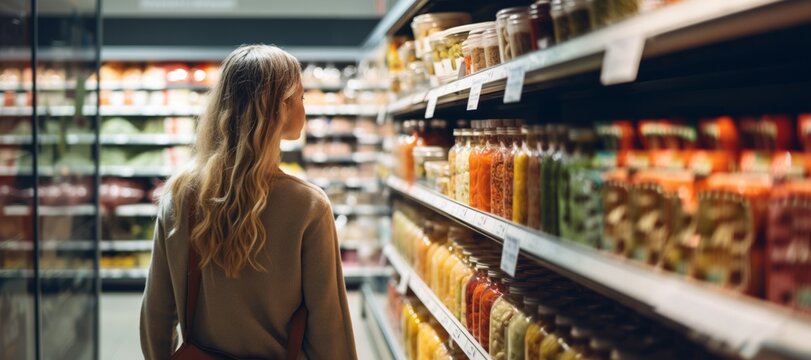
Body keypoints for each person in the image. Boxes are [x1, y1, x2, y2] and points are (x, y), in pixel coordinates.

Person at [140, 44, 357, 359]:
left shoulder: (180, 194)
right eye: (301, 97)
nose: (304, 107)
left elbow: (157, 313)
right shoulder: (308, 206)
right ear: (280, 107)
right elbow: (328, 327)